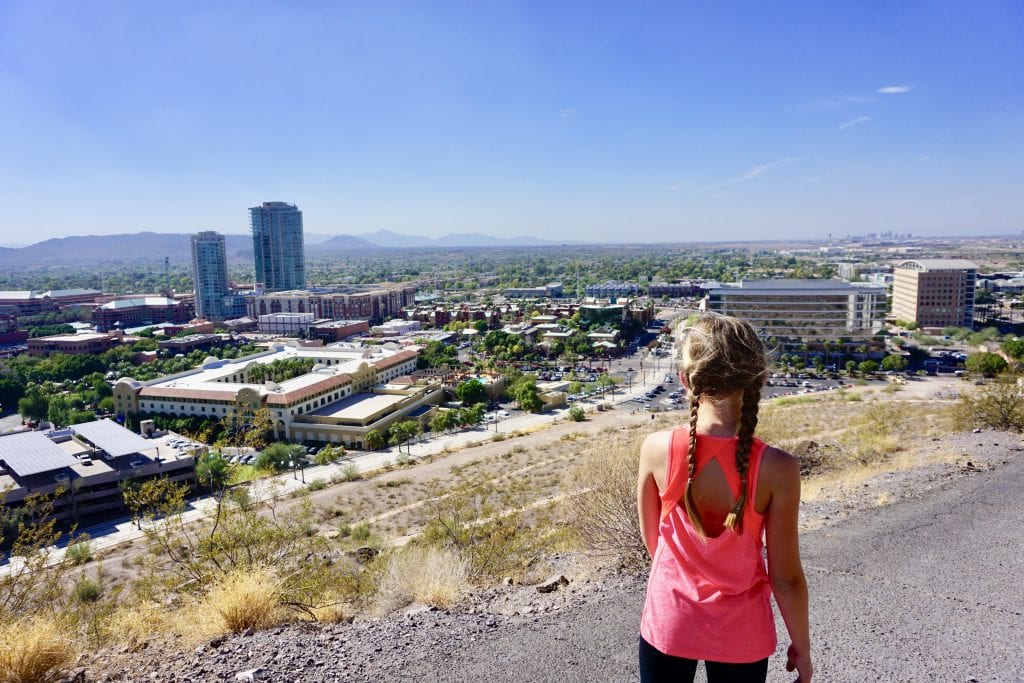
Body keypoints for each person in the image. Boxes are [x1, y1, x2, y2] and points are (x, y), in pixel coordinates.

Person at [636, 313, 812, 682]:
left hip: (670, 622)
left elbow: (656, 546)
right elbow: (786, 579)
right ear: (761, 379)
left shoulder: (656, 450)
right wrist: (802, 646)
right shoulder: (777, 469)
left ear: (685, 379)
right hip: (741, 633)